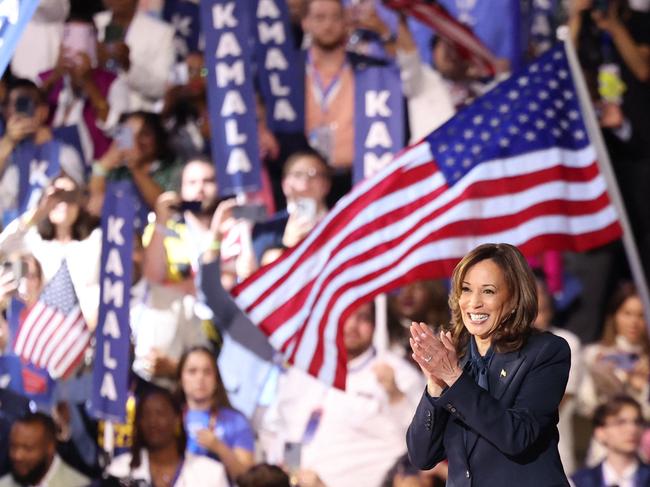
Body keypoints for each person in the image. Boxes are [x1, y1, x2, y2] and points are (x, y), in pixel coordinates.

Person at [406, 243, 571, 486]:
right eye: (466, 290)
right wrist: (435, 384)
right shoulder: (455, 354)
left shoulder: (545, 352)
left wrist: (454, 378)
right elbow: (422, 456)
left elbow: (517, 436)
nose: (473, 303)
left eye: (489, 291)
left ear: (514, 297)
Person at [259, 300, 424, 487]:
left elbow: (422, 443)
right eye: (345, 316)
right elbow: (275, 428)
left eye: (363, 318)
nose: (352, 325)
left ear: (375, 324)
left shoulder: (399, 374)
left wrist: (395, 395)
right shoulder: (304, 369)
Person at [106, 388, 229, 486]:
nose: (152, 421)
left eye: (160, 413)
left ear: (177, 419)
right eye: (145, 415)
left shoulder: (211, 473)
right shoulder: (119, 470)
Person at [177, 346, 255, 481]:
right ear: (180, 378)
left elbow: (247, 479)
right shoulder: (169, 417)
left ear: (216, 380)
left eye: (207, 372)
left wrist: (220, 448)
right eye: (192, 371)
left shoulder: (236, 420)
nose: (200, 378)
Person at [533, 272, 583, 475]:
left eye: (543, 292)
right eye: (532, 293)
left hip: (555, 454)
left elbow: (558, 398)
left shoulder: (567, 342)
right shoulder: (500, 348)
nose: (540, 298)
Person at [572, 395, 650, 487]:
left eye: (637, 422)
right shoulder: (579, 481)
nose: (632, 429)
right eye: (621, 422)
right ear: (600, 432)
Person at [0, 412, 89, 487]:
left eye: (28, 448)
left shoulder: (79, 484)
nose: (17, 456)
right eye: (13, 446)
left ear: (50, 447)